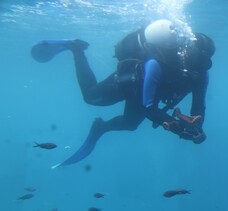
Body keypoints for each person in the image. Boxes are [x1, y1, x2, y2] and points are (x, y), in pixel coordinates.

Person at [32, 19, 215, 167]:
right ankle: (76, 49)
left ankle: (100, 128)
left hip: (146, 95)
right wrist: (176, 127)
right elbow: (150, 109)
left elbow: (198, 108)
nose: (199, 67)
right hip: (128, 83)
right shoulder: (156, 64)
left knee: (130, 125)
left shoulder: (200, 75)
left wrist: (197, 130)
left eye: (204, 62)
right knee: (90, 97)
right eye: (198, 59)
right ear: (187, 53)